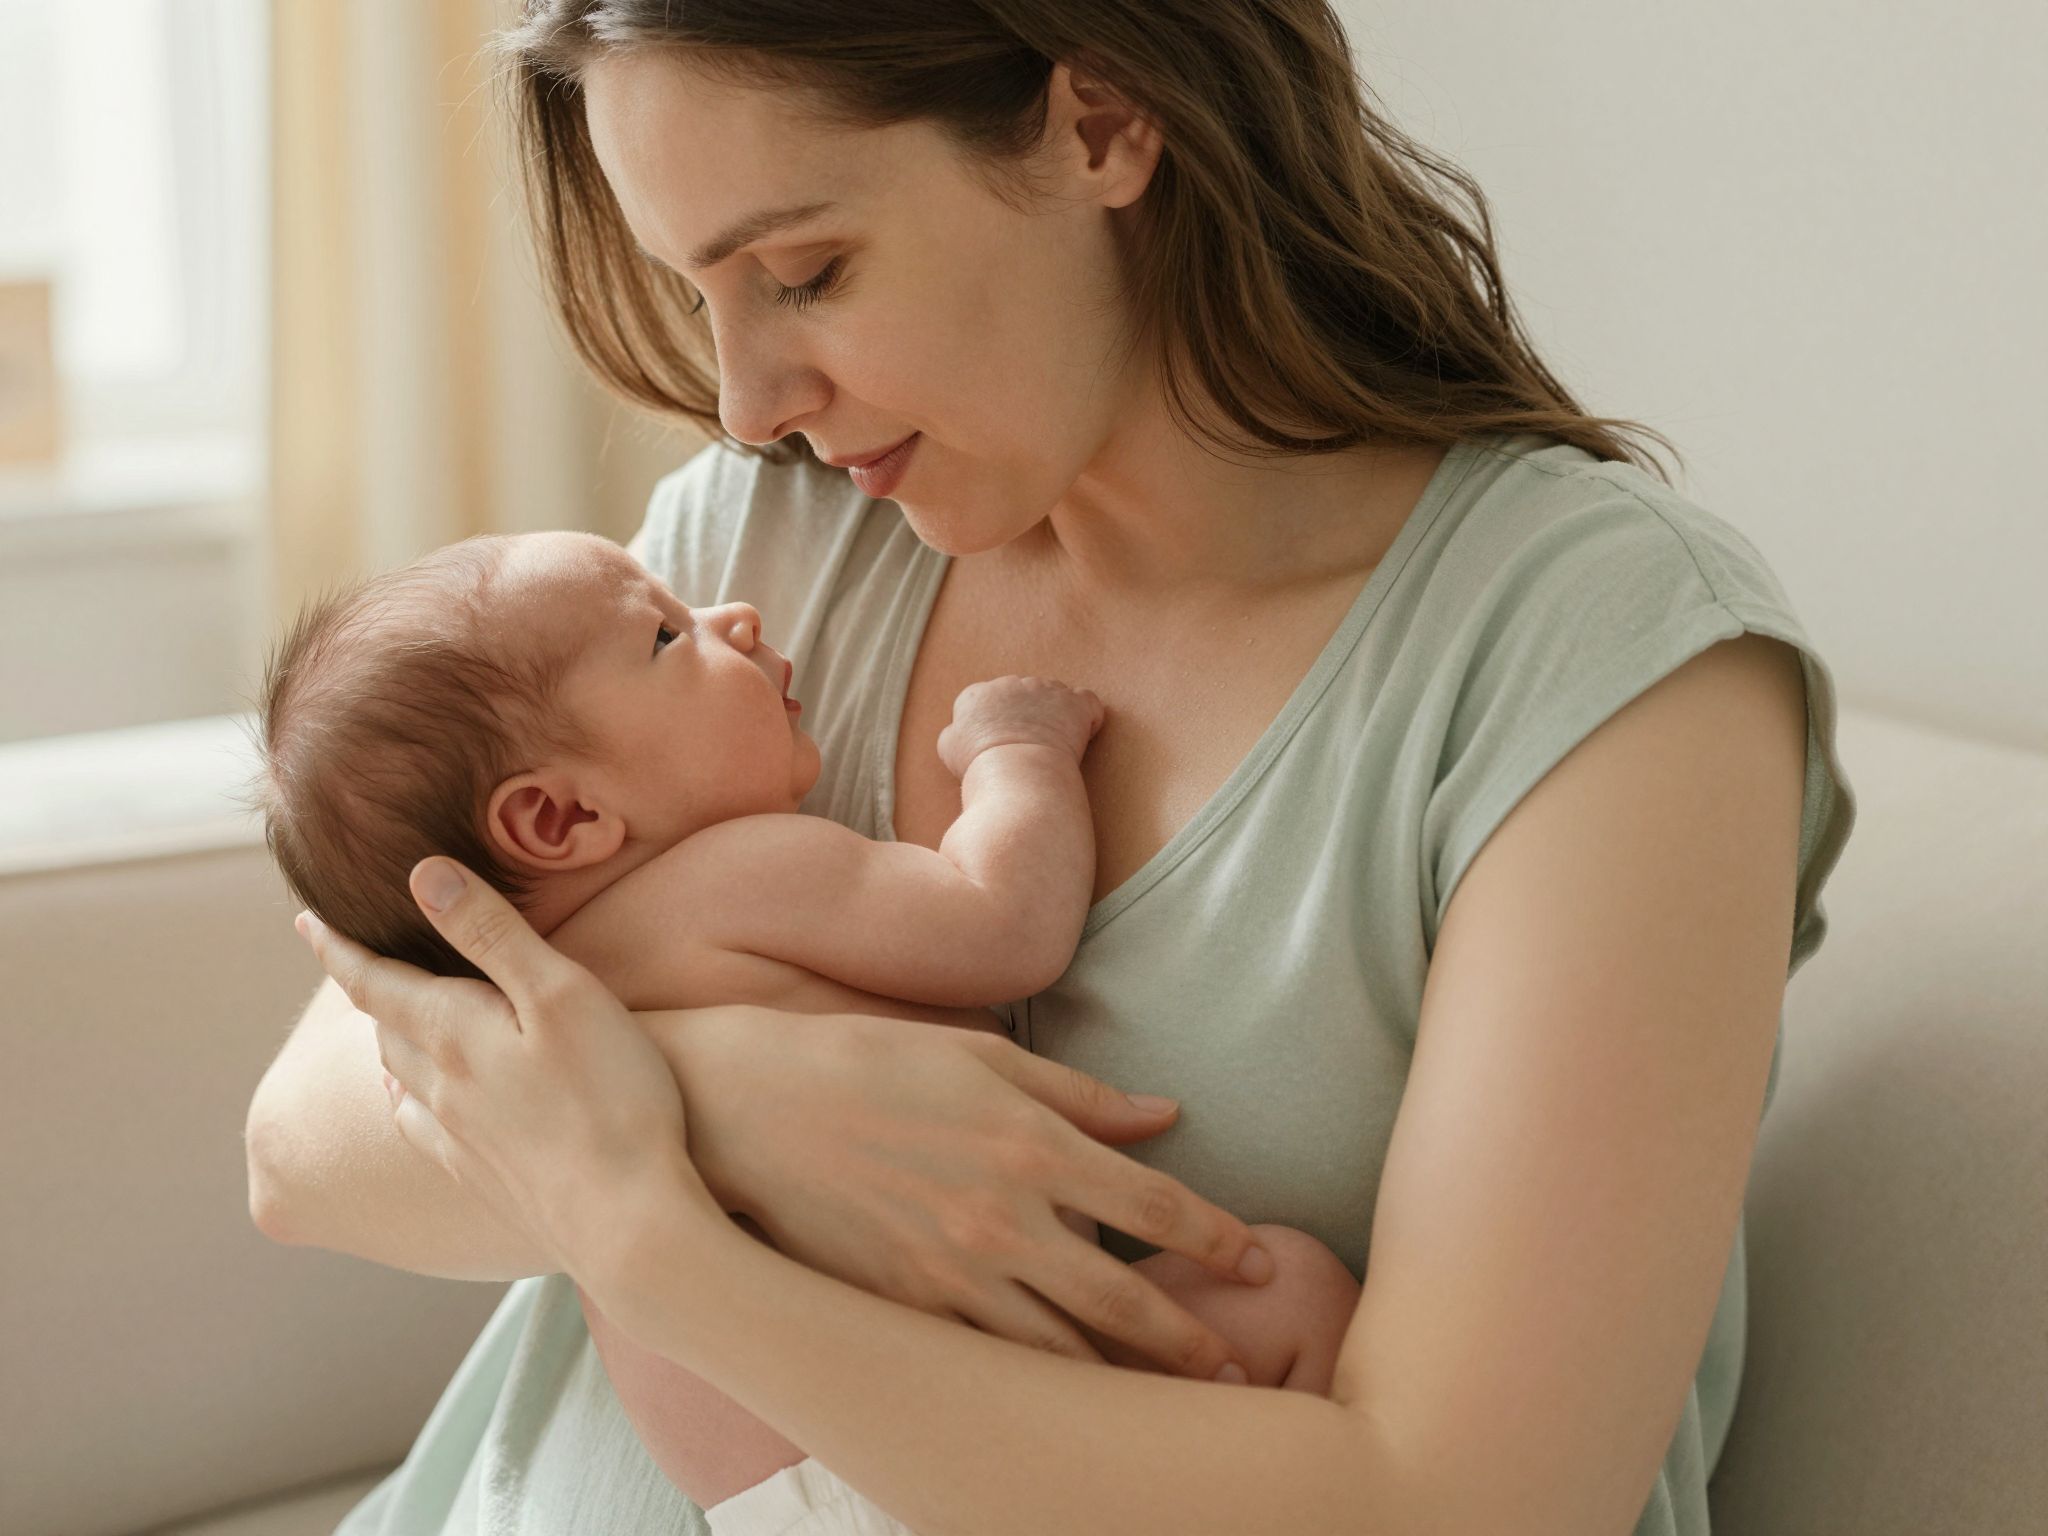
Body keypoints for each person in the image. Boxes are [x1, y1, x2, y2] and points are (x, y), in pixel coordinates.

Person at [244, 3, 1858, 1534]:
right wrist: (747, 1103)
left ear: (1101, 118)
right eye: (697, 296)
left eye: (804, 272)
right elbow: (305, 1142)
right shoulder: (765, 543)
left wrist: (659, 1242)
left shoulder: (1596, 662)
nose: (746, 400)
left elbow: (1449, 1508)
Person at [254, 527, 1365, 1521]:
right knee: (1289, 1290)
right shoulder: (746, 875)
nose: (730, 617)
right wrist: (1012, 755)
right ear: (563, 815)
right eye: (665, 635)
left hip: (768, 1493)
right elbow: (1003, 925)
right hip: (952, 1431)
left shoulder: (515, 1012)